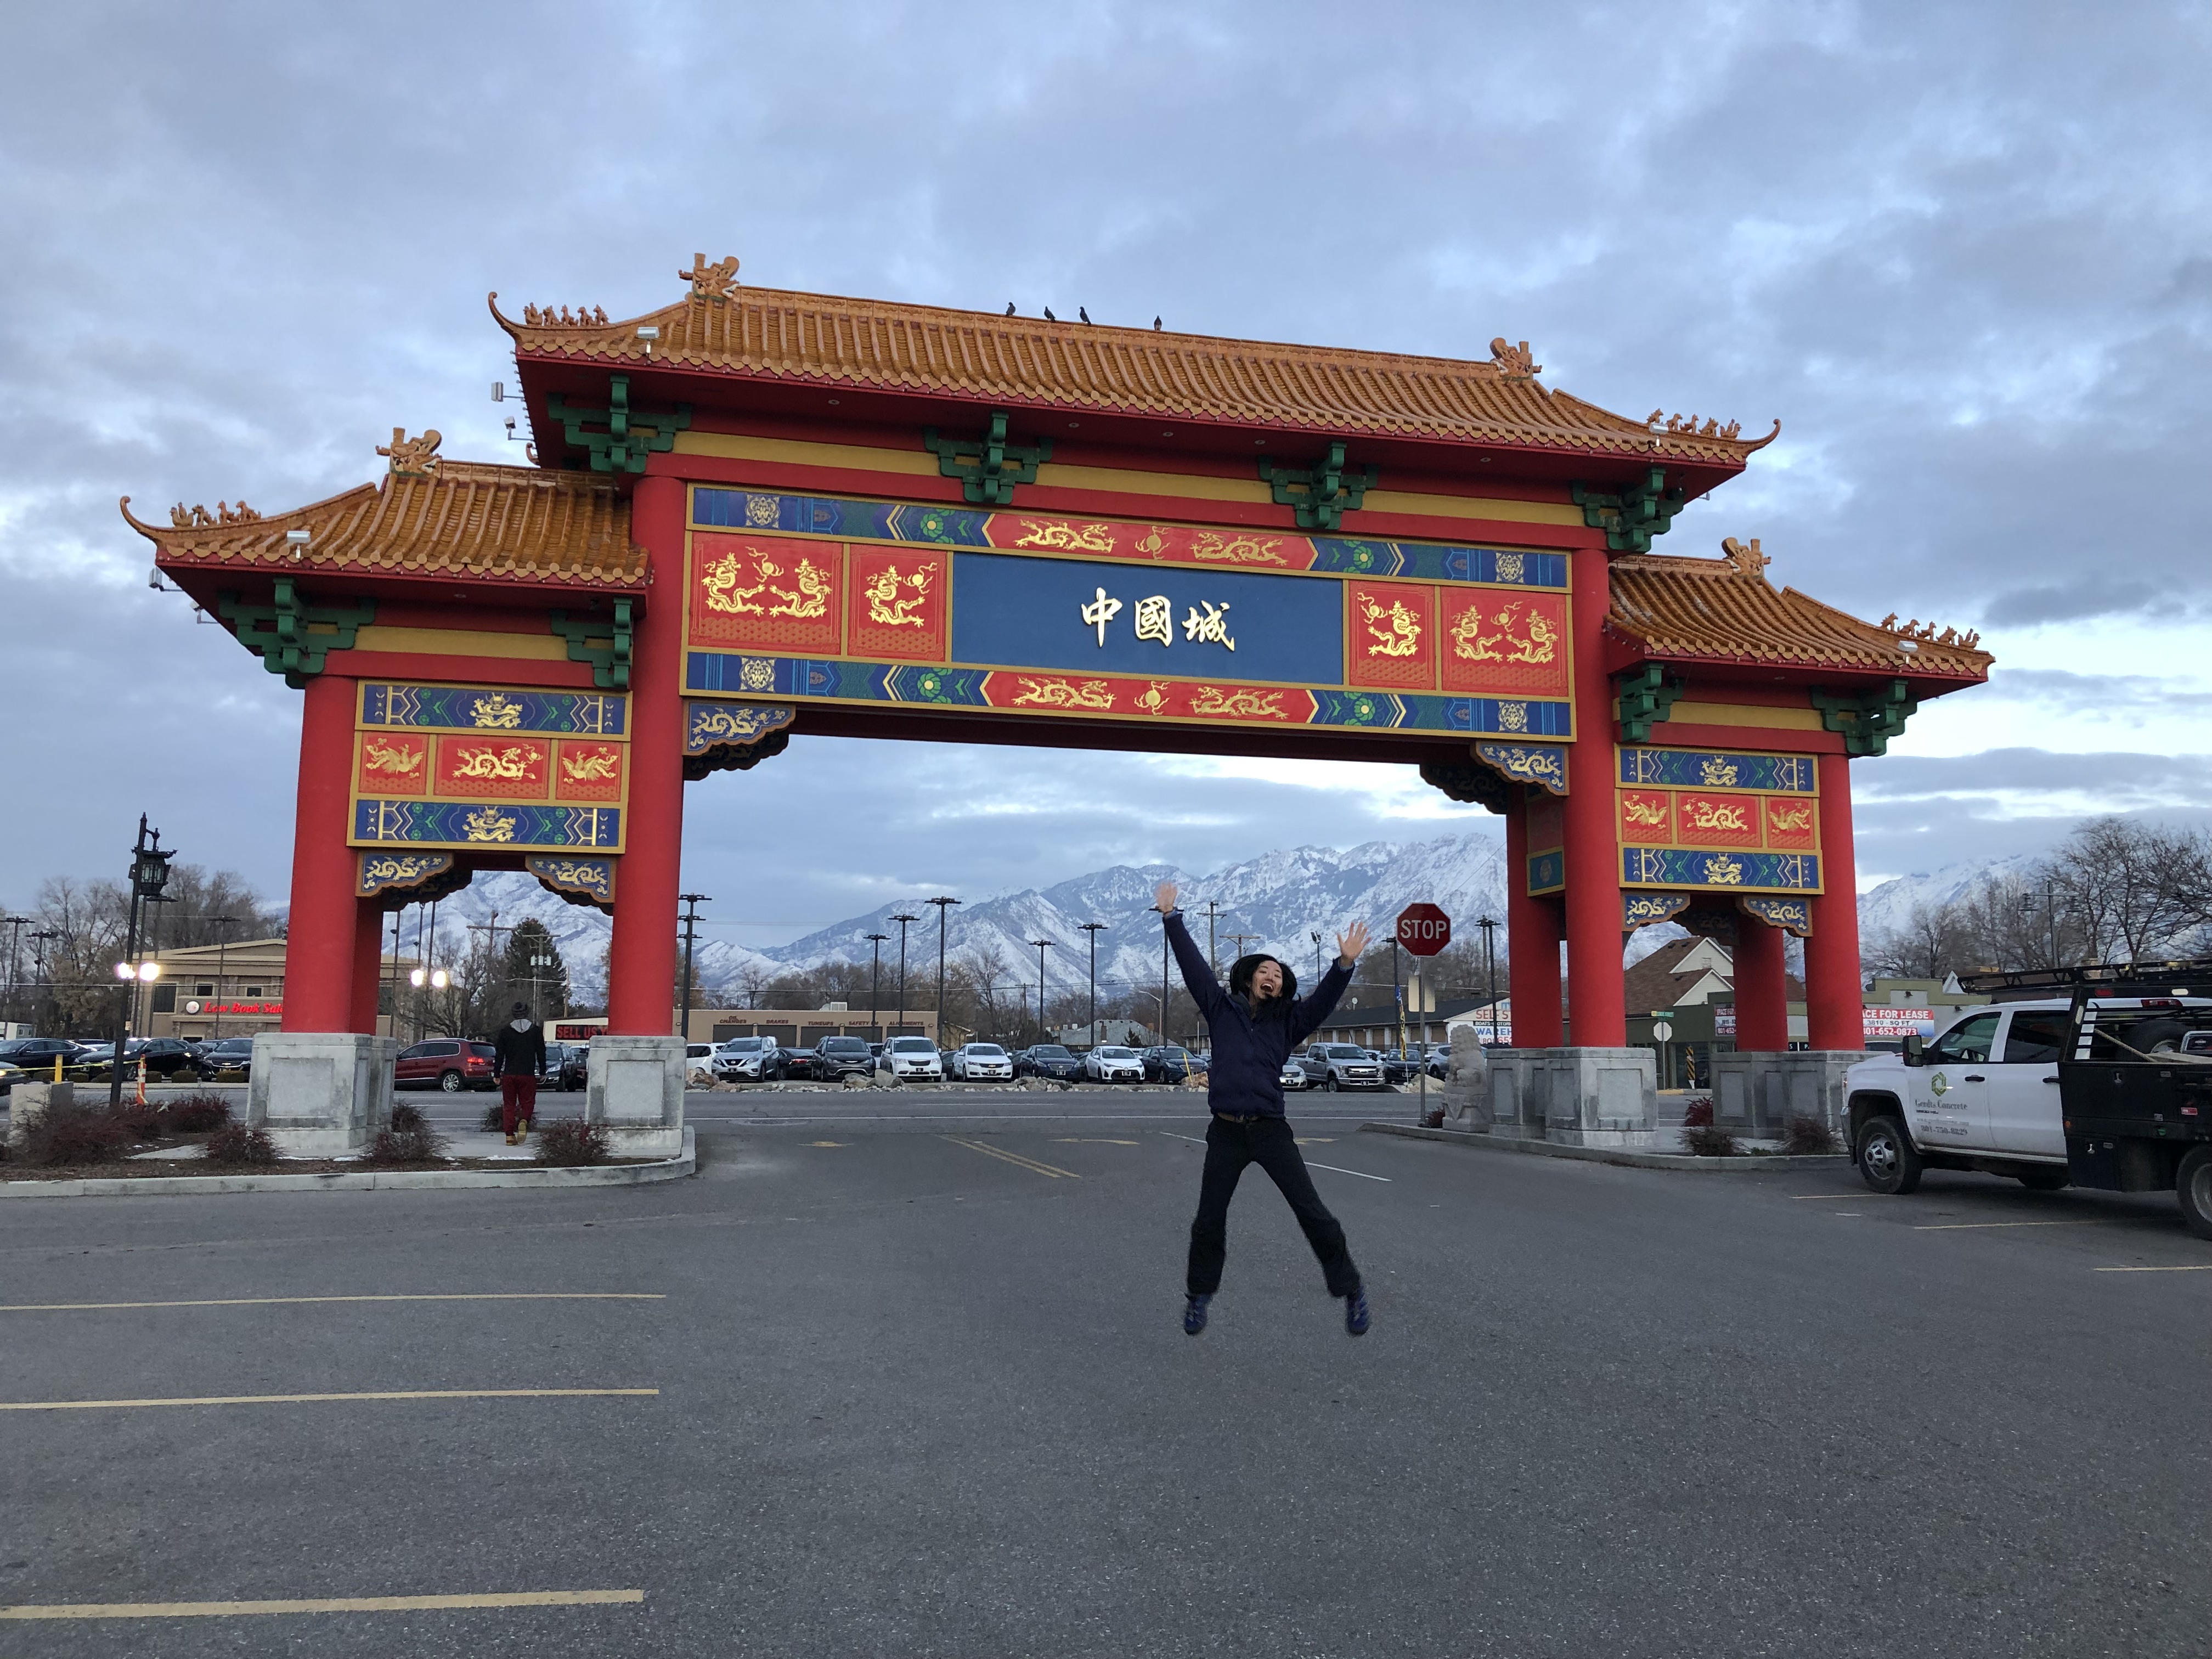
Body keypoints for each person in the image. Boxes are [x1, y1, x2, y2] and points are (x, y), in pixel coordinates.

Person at [1154, 880, 1373, 1337]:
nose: (1272, 976)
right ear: (1250, 976)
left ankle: (1350, 1289)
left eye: (1278, 973)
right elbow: (1193, 968)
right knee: (1209, 1219)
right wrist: (1171, 918)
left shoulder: (1288, 1023)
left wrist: (1344, 965)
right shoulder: (1219, 1010)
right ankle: (1199, 1296)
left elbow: (1324, 1002)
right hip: (1226, 1131)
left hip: (1271, 1130)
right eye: (1265, 970)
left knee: (1312, 1212)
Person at [492, 1001, 546, 1144]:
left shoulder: (505, 1032)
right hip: (527, 1074)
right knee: (528, 1102)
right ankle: (524, 1120)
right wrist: (543, 1071)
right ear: (526, 1013)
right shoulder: (535, 1031)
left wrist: (496, 1074)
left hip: (510, 1074)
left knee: (509, 1105)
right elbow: (541, 1052)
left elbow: (499, 1055)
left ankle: (509, 1136)